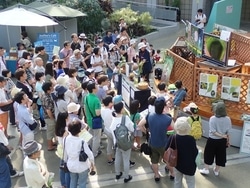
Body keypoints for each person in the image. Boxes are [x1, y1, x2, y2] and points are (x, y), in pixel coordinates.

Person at [138, 97, 172, 182]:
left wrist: (146, 132)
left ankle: (156, 175)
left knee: (154, 160)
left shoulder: (150, 116)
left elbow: (139, 125)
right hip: (164, 143)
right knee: (167, 159)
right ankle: (172, 173)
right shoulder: (168, 119)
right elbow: (175, 129)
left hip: (152, 142)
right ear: (163, 107)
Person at [200, 102, 232, 176]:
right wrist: (228, 140)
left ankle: (206, 169)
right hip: (222, 141)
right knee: (220, 155)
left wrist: (221, 135)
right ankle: (216, 170)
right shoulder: (228, 119)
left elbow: (213, 131)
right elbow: (229, 132)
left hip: (212, 140)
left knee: (208, 154)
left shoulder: (212, 119)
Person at [166, 117, 198, 188]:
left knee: (177, 181)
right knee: (191, 183)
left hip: (177, 164)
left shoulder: (173, 137)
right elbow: (195, 152)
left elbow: (167, 149)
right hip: (189, 166)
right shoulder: (191, 139)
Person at [64, 120, 95, 188]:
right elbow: (90, 154)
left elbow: (65, 153)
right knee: (82, 183)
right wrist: (92, 164)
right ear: (79, 130)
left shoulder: (66, 139)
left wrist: (65, 161)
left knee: (73, 181)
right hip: (82, 166)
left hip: (71, 165)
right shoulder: (82, 141)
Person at [110, 101, 134, 183]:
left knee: (117, 158)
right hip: (125, 143)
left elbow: (111, 130)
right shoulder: (125, 118)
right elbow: (132, 129)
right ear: (122, 109)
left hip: (117, 143)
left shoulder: (113, 119)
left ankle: (117, 173)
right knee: (126, 160)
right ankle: (126, 176)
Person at [84, 81, 102, 158]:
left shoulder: (86, 97)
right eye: (96, 86)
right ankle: (94, 153)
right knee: (96, 137)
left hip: (89, 119)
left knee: (90, 134)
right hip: (96, 121)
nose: (97, 86)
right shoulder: (96, 100)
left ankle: (88, 148)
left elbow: (85, 108)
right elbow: (97, 113)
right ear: (94, 89)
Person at [55, 112, 70, 188]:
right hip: (66, 150)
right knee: (67, 169)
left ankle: (63, 183)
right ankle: (67, 185)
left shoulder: (58, 127)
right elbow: (66, 141)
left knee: (62, 167)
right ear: (65, 119)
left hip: (60, 149)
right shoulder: (66, 130)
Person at [41, 82, 57, 151]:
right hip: (49, 117)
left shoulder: (45, 95)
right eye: (52, 86)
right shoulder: (47, 98)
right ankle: (50, 146)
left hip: (47, 117)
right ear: (49, 88)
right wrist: (52, 118)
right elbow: (48, 110)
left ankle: (51, 142)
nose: (53, 86)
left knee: (51, 130)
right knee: (50, 132)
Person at [101, 95, 115, 165]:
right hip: (112, 131)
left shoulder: (102, 110)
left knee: (109, 144)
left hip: (106, 129)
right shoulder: (110, 112)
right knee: (118, 145)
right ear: (109, 103)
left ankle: (110, 159)